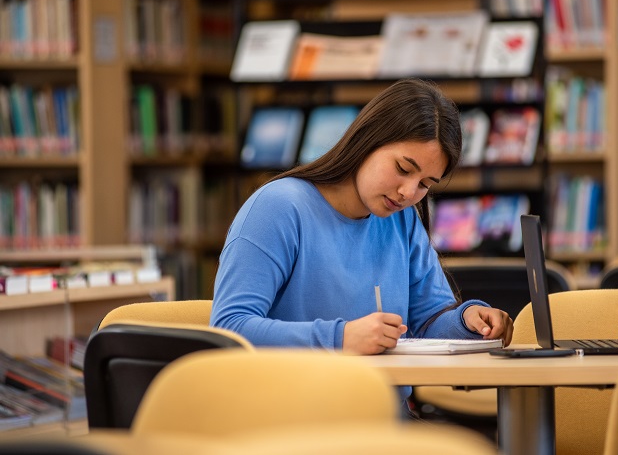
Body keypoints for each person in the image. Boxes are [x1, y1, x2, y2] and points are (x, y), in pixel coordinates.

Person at [210, 79, 514, 402]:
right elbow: (230, 329)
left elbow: (427, 326)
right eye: (402, 168)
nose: (409, 193)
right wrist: (340, 338)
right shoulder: (278, 208)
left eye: (425, 184)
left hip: (386, 422)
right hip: (298, 423)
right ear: (369, 139)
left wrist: (469, 322)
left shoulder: (402, 220)